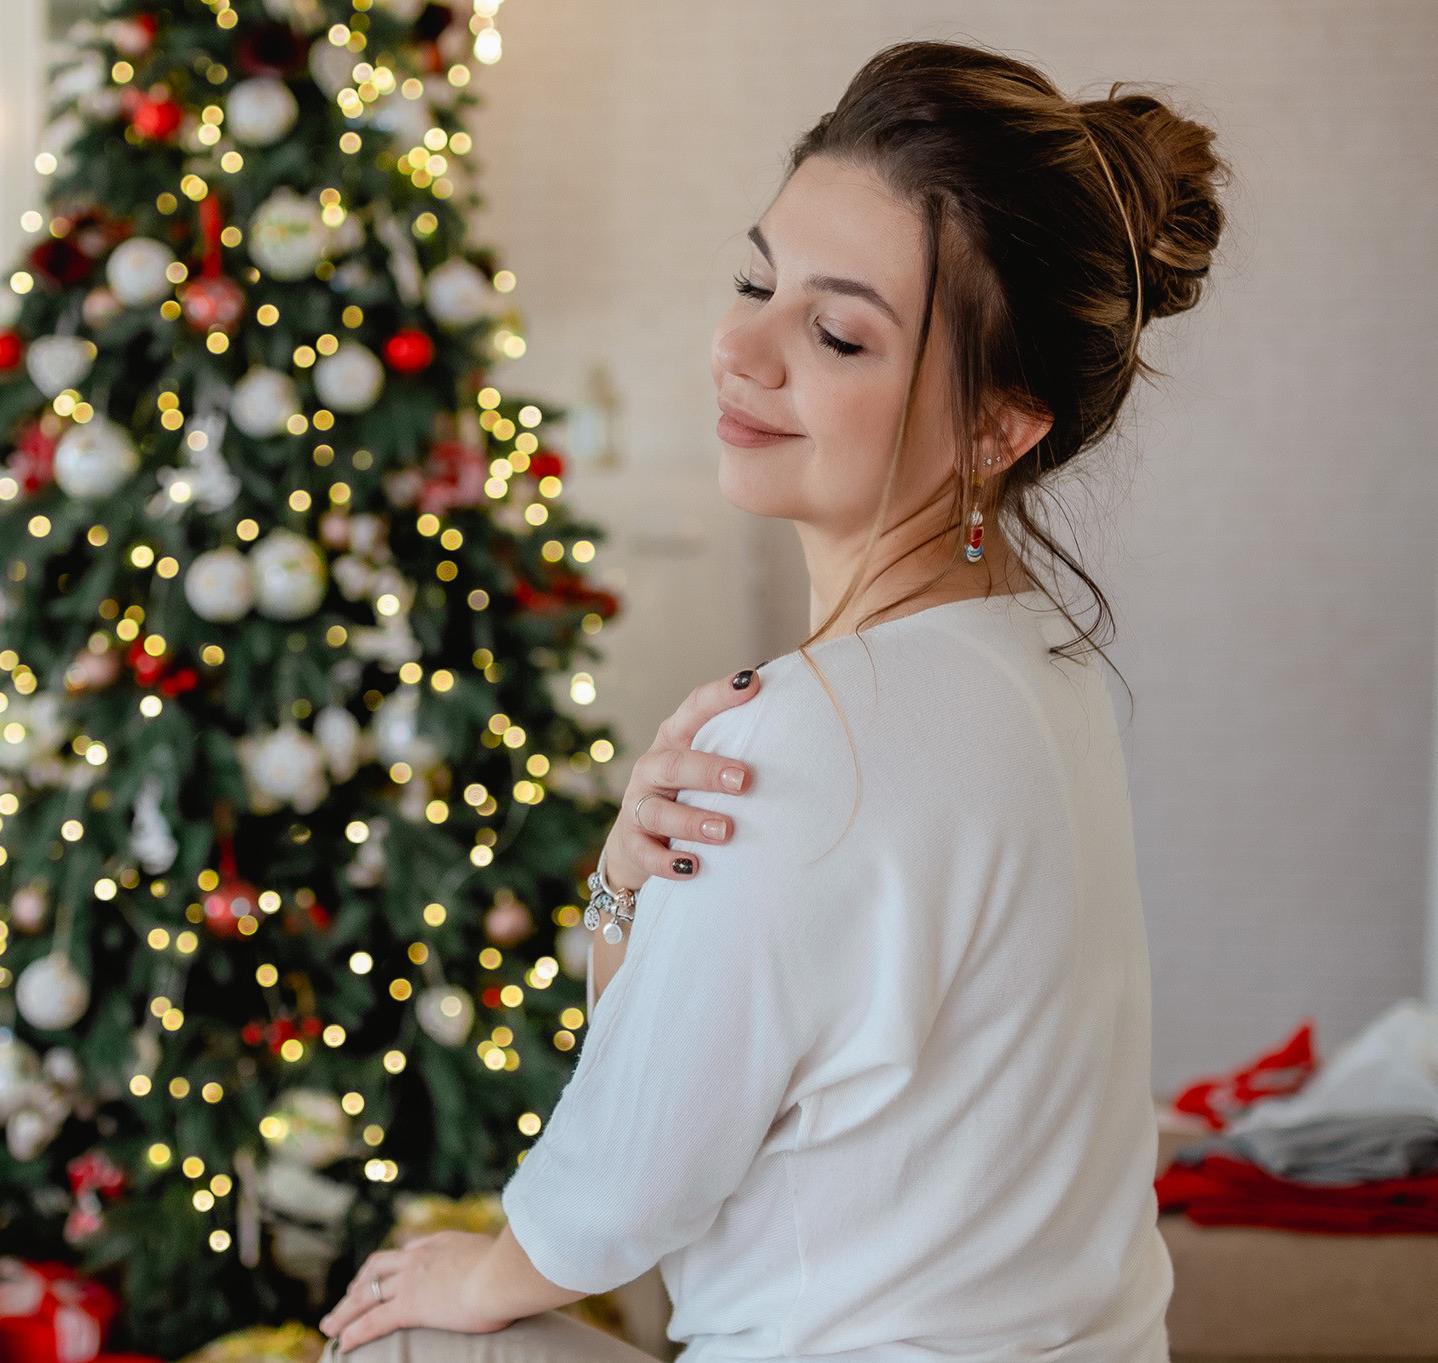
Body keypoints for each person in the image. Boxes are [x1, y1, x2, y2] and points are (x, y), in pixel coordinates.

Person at [314, 37, 1228, 1363]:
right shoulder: (1036, 662)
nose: (739, 346)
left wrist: (486, 1273)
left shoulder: (814, 735)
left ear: (996, 426)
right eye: (757, 279)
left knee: (392, 1339)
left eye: (836, 329)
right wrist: (632, 894)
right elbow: (715, 1064)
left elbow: (628, 1187)